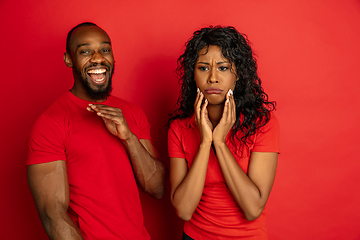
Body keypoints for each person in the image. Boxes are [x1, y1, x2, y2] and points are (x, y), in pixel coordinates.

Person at [27, 22, 165, 240]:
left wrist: (129, 138)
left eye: (105, 49)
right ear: (68, 59)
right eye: (85, 51)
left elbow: (157, 188)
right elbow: (53, 214)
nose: (98, 58)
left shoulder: (132, 112)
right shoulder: (50, 123)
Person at [167, 26, 279, 240]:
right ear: (193, 75)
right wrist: (204, 142)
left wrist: (219, 143)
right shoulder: (179, 128)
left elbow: (253, 208)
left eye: (223, 67)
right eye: (202, 68)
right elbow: (184, 210)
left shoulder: (263, 124)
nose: (212, 78)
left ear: (238, 74)